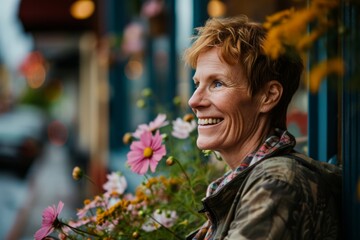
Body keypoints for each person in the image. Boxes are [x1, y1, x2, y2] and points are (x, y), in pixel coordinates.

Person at [183, 15, 342, 240]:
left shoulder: (277, 182)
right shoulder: (250, 180)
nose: (194, 101)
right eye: (198, 84)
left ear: (268, 96)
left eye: (217, 83)